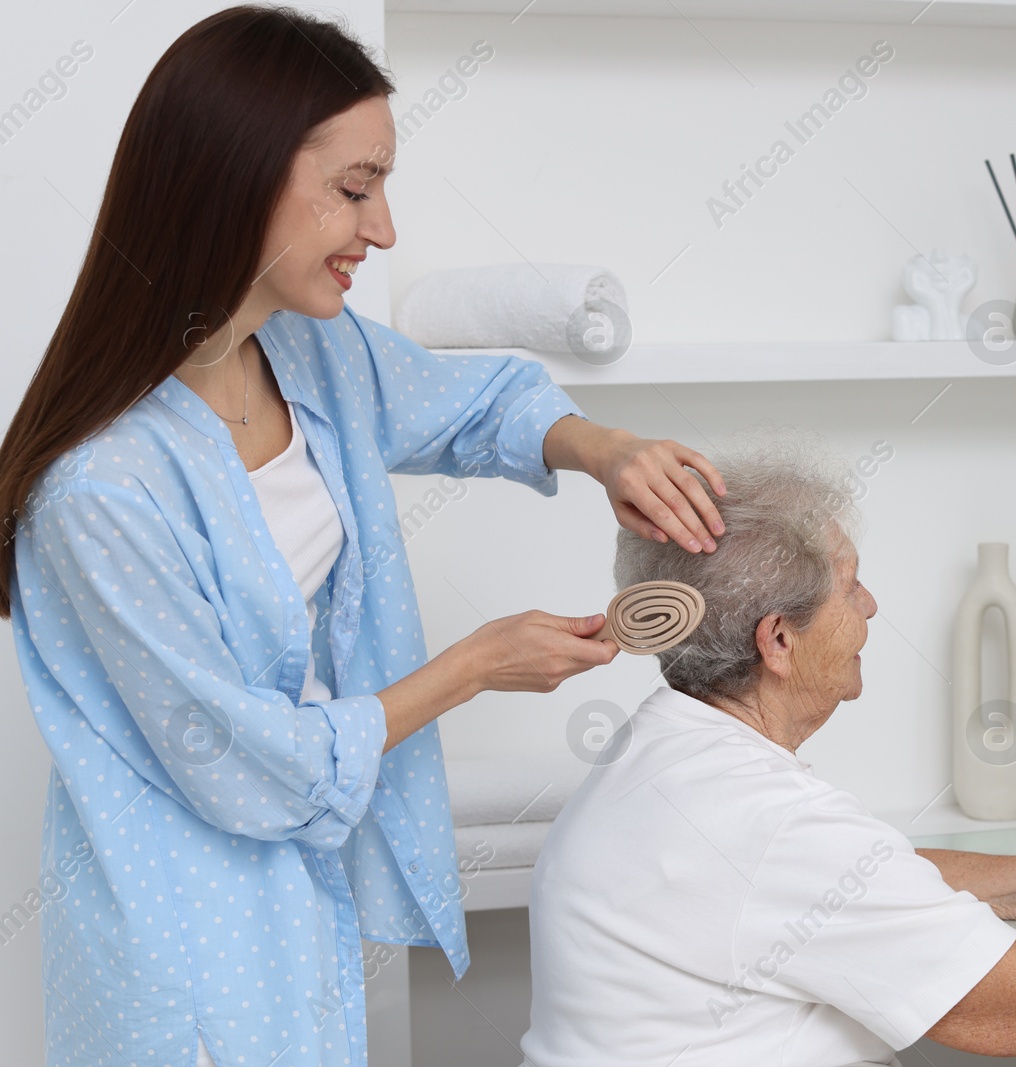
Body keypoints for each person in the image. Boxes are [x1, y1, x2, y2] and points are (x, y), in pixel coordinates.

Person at [0, 7, 725, 1065]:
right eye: (354, 188)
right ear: (231, 176)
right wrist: (477, 664)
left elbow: (474, 404)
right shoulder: (99, 488)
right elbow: (244, 760)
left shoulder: (308, 357)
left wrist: (602, 447)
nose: (381, 230)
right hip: (179, 952)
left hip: (297, 912)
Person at [522, 435, 1016, 1066]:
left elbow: (859, 879)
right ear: (779, 640)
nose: (871, 605)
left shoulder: (661, 746)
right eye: (851, 585)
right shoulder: (769, 823)